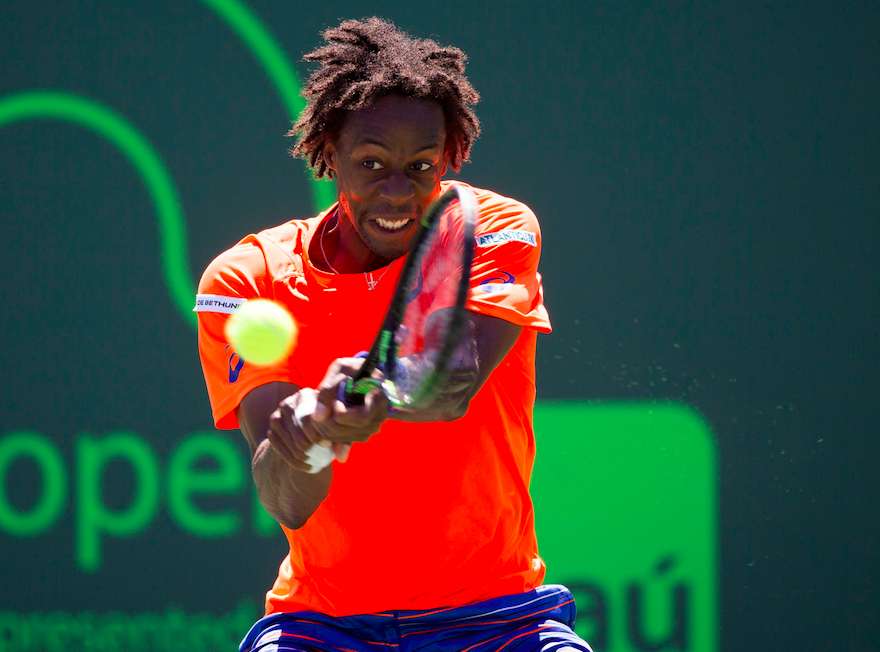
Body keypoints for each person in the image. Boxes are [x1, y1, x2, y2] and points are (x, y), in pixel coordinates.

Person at [195, 17, 592, 652]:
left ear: (450, 157)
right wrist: (309, 434)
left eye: (421, 165)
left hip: (497, 617)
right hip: (321, 626)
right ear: (330, 151)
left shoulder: (487, 227)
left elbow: (449, 385)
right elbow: (287, 501)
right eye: (372, 163)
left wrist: (359, 392)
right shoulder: (248, 278)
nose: (397, 191)